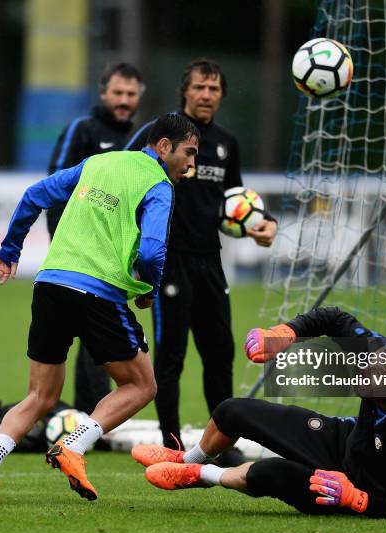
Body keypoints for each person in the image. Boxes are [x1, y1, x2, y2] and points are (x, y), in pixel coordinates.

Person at [0, 113, 200, 504]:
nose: (191, 164)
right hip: (96, 293)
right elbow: (151, 249)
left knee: (39, 396)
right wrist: (149, 289)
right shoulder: (159, 185)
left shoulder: (98, 163)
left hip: (50, 284)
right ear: (164, 146)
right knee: (142, 386)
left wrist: (10, 251)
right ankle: (72, 447)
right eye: (189, 153)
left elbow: (34, 195)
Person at [131, 307, 386, 519]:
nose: (365, 372)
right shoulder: (380, 357)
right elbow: (335, 320)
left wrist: (356, 498)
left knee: (268, 472)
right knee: (232, 411)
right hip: (351, 441)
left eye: (377, 373)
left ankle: (199, 476)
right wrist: (283, 335)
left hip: (362, 488)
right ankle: (188, 460)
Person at [125, 59, 278, 461]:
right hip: (168, 261)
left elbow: (236, 204)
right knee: (171, 357)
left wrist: (262, 225)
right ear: (185, 92)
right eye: (199, 88)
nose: (207, 95)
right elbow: (124, 175)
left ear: (221, 95)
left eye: (214, 89)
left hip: (211, 262)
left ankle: (220, 443)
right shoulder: (160, 134)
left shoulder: (227, 143)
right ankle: (172, 445)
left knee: (219, 353)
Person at [46, 62, 145, 417]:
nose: (123, 100)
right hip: (77, 254)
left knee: (99, 339)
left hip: (115, 256)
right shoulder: (82, 130)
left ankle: (89, 416)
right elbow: (56, 185)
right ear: (103, 94)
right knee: (77, 336)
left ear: (139, 97)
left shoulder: (139, 142)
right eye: (117, 93)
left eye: (130, 94)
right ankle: (67, 411)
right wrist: (62, 239)